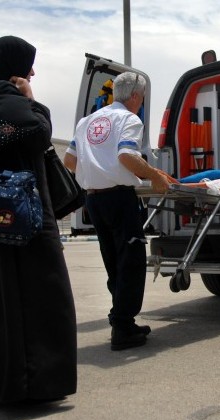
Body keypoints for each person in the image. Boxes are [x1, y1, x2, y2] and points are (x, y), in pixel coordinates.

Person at [0, 36, 77, 405]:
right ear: (12, 64)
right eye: (28, 64)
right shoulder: (2, 94)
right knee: (38, 296)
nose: (31, 71)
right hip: (20, 219)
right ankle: (28, 386)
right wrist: (31, 99)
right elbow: (35, 133)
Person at [70, 71, 169, 351]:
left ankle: (123, 321)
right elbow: (126, 156)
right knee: (131, 261)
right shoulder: (129, 119)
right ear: (136, 97)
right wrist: (155, 176)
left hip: (94, 201)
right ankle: (123, 326)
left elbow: (69, 159)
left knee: (113, 261)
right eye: (143, 99)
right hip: (119, 199)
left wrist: (94, 171)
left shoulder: (87, 121)